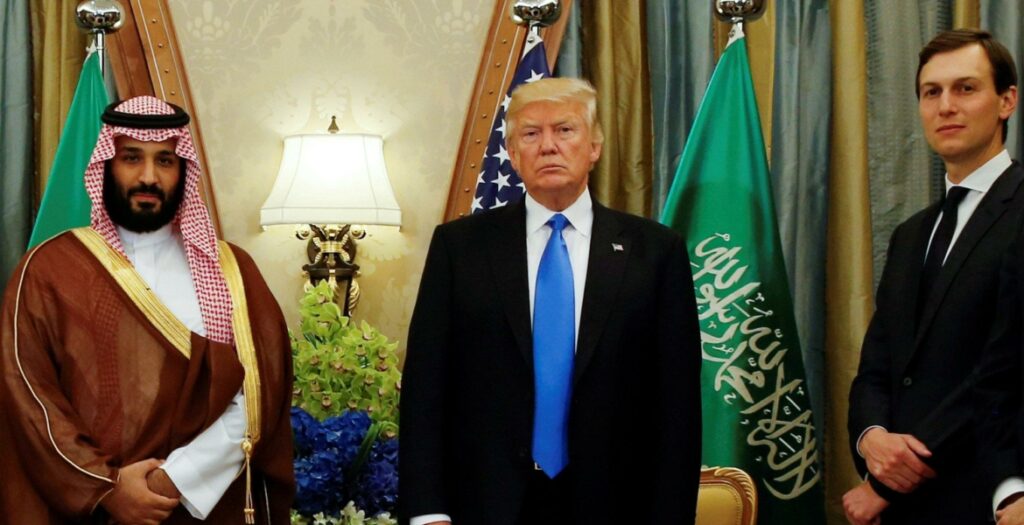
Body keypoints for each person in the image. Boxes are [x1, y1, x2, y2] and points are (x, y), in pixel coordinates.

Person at [398, 77, 702, 525]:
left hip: (617, 504)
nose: (548, 146)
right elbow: (426, 387)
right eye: (531, 133)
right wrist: (426, 511)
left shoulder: (655, 252)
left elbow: (678, 405)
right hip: (485, 502)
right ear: (512, 153)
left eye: (565, 130)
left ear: (594, 147)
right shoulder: (460, 249)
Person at [0, 96, 295, 524]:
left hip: (205, 507)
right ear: (106, 164)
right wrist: (107, 487)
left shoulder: (231, 269)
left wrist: (173, 481)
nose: (148, 177)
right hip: (89, 511)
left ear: (183, 170)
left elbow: (259, 391)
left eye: (165, 161)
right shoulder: (50, 269)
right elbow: (30, 397)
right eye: (131, 158)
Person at [844, 28, 1021, 525]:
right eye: (931, 92)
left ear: (1006, 101)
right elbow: (877, 367)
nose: (946, 106)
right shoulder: (909, 236)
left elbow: (1004, 371)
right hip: (906, 511)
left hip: (992, 498)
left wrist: (886, 482)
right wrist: (871, 438)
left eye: (966, 88)